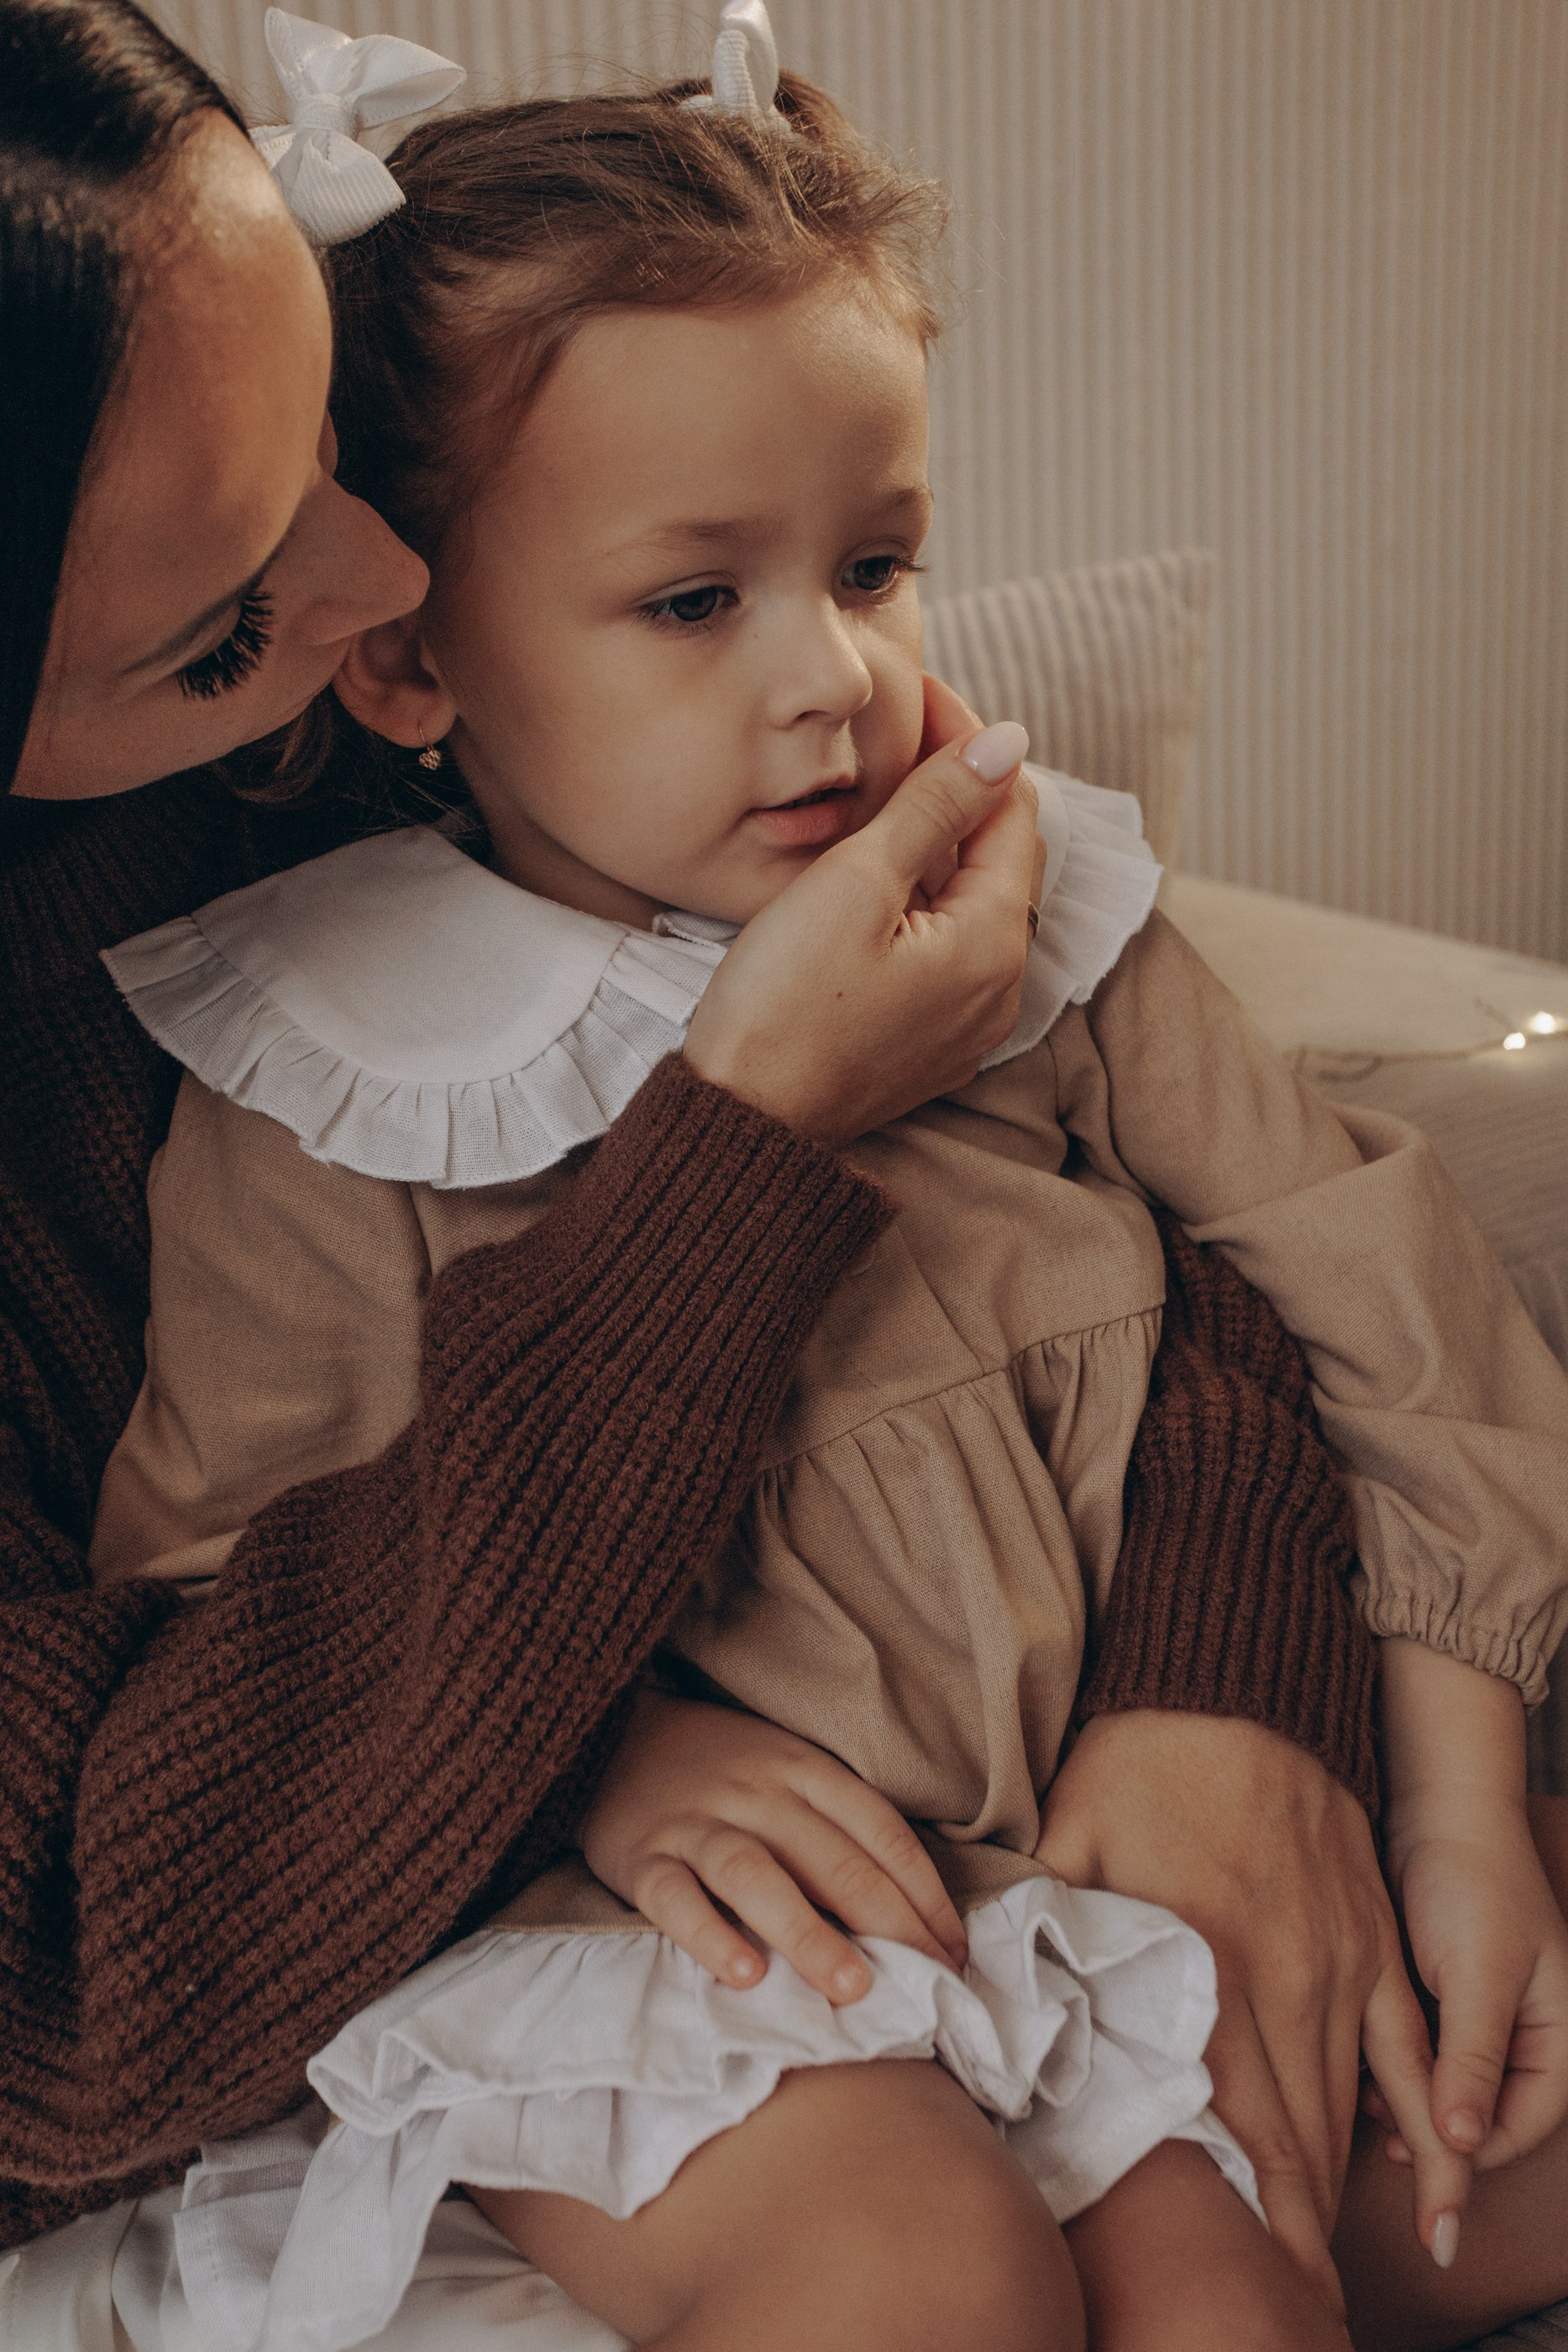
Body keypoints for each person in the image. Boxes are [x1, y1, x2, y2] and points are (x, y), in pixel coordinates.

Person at [82, 13, 1568, 2348]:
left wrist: (1454, 1792)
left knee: (1240, 2294)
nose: (837, 684)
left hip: (1092, 1862)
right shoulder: (333, 1065)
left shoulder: (1039, 911)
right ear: (407, 659)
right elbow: (232, 1610)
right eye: (696, 601)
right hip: (697, 1924)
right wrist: (607, 1759)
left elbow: (1369, 1275)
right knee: (951, 2281)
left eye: (875, 567)